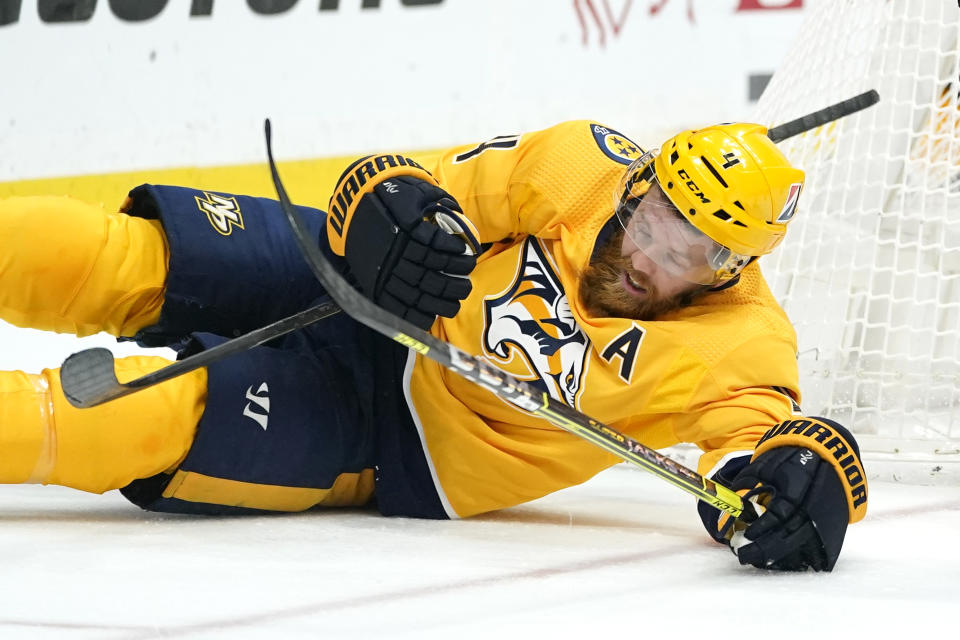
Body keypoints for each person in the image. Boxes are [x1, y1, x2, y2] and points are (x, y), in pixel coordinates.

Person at [0, 119, 867, 571]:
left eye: (688, 255)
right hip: (355, 285)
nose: (647, 257)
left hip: (389, 436)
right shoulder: (578, 163)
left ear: (731, 269)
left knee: (136, 409)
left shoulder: (744, 342)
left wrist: (810, 479)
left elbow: (768, 445)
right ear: (638, 185)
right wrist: (399, 219)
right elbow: (401, 180)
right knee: (118, 255)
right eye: (651, 222)